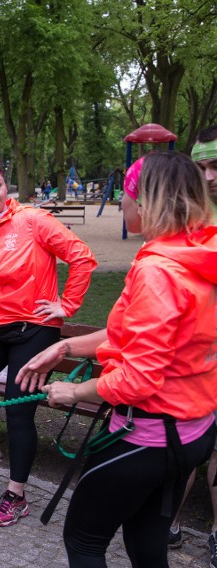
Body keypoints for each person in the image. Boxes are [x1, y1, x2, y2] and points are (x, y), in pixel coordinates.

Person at [16, 151, 216, 566]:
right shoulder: (197, 254)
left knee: (84, 540)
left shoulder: (158, 271)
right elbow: (144, 334)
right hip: (193, 432)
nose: (123, 205)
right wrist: (66, 346)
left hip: (149, 437)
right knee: (147, 544)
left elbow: (138, 379)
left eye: (125, 195)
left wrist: (74, 391)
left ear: (143, 203)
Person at [0, 163, 97, 527]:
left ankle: (17, 494)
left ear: (6, 187)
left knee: (17, 410)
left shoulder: (34, 220)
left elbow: (81, 257)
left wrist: (67, 305)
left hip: (37, 329)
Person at [167, 125, 217, 558]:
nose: (210, 176)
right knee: (183, 445)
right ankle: (170, 521)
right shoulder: (191, 222)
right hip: (191, 369)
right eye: (201, 167)